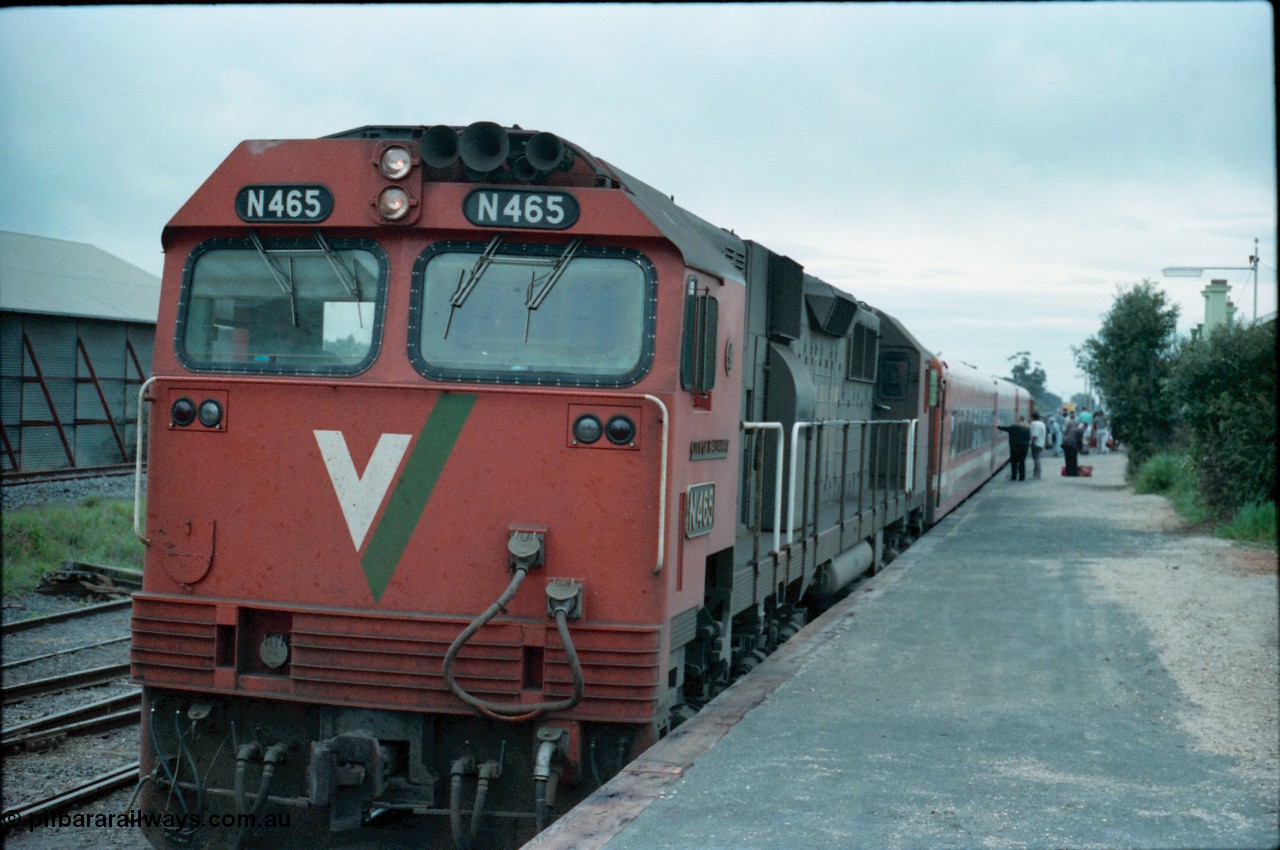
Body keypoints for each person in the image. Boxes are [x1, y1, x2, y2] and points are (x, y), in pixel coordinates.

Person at [996, 416, 1032, 481]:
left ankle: (1014, 476)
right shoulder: (1027, 429)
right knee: (1022, 462)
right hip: (1024, 447)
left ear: (1018, 421)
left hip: (1015, 447)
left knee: (1014, 462)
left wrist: (997, 426)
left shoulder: (1014, 427)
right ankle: (1022, 477)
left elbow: (1005, 428)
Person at [1028, 411, 1047, 479]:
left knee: (1036, 459)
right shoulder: (1042, 423)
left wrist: (1030, 443)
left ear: (1032, 417)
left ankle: (1037, 473)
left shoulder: (1034, 424)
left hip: (1036, 443)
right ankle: (1036, 473)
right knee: (1037, 458)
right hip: (1041, 443)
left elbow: (1035, 436)